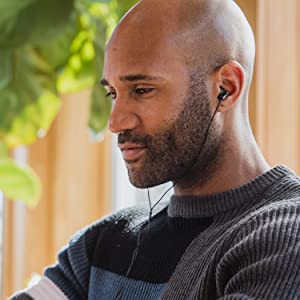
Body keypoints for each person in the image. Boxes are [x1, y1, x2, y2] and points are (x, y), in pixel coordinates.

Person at [11, 0, 300, 299]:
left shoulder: (284, 238)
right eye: (113, 93)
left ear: (226, 87)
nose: (115, 122)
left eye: (142, 90)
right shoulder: (101, 246)